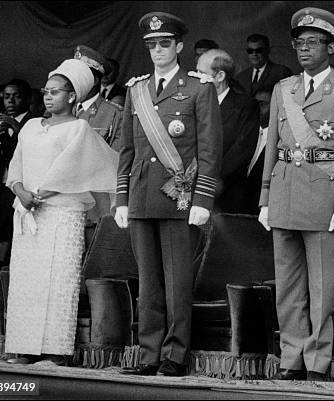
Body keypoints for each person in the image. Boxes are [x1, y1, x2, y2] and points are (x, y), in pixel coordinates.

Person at [258, 7, 334, 381]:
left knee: (322, 287)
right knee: (287, 286)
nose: (304, 50)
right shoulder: (282, 89)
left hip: (325, 197)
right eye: (299, 44)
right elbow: (272, 146)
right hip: (285, 194)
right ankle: (291, 356)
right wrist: (264, 198)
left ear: (330, 46)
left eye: (312, 43)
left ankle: (317, 360)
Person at [115, 11, 222, 377]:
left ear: (178, 46)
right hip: (143, 195)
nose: (157, 50)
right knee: (149, 282)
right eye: (151, 45)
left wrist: (203, 201)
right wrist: (121, 198)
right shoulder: (136, 89)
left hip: (181, 197)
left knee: (177, 283)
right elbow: (126, 150)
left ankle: (174, 355)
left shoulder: (199, 87)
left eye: (164, 43)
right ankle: (148, 354)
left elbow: (209, 150)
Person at [4, 59, 118, 365]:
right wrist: (21, 191)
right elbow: (15, 166)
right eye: (45, 91)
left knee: (58, 280)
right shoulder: (29, 126)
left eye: (55, 91)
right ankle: (25, 348)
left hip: (61, 213)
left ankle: (55, 351)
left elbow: (75, 170)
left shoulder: (79, 128)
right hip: (28, 213)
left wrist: (39, 194)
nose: (48, 96)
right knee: (28, 281)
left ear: (72, 96)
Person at [196, 48, 260, 214]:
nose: (196, 78)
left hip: (227, 190)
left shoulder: (245, 106)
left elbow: (243, 148)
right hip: (192, 189)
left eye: (201, 73)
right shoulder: (192, 103)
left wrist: (211, 177)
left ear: (220, 76)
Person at [0, 79, 37, 240]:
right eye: (7, 97)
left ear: (27, 99)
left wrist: (17, 128)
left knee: (14, 233)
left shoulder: (35, 122)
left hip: (22, 188)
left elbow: (35, 153)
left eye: (17, 96)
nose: (11, 101)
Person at [74, 45, 124, 151]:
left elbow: (116, 158)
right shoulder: (64, 107)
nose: (74, 80)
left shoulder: (114, 114)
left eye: (80, 76)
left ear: (95, 81)